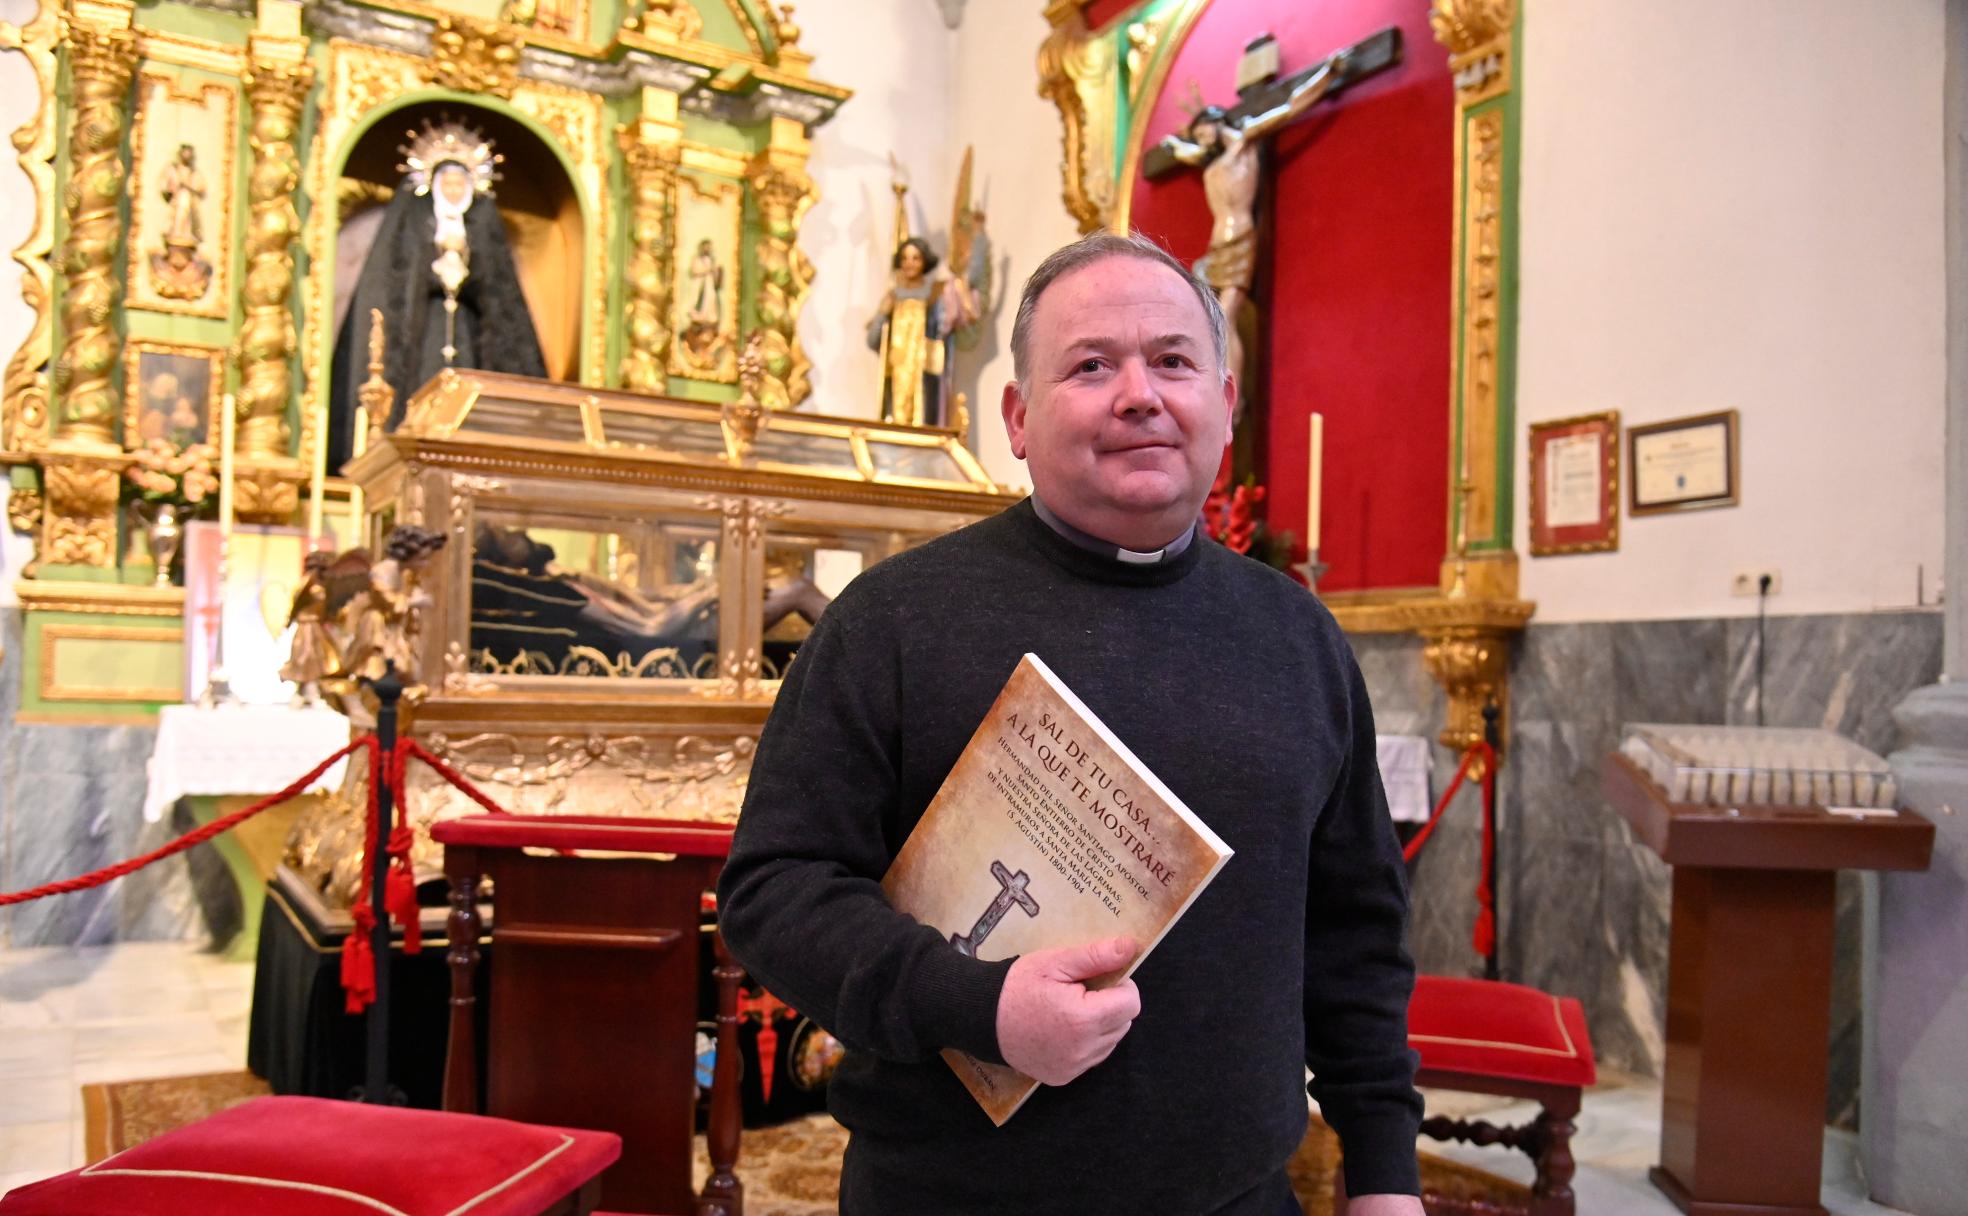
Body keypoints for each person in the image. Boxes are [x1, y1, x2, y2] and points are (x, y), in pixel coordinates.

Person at [719, 231, 1423, 1214]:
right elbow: (774, 890)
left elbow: (1354, 928)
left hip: (1237, 1195)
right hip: (951, 1196)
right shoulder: (894, 619)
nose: (1139, 393)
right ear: (1016, 416)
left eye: (1173, 360)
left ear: (1224, 402)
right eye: (1091, 366)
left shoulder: (1295, 634)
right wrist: (981, 1006)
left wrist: (1386, 1171)